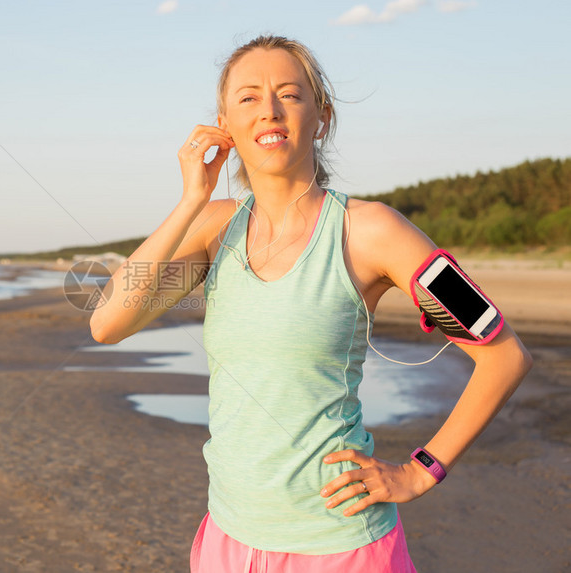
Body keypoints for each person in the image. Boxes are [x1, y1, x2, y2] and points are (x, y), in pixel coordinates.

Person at [89, 35, 531, 572]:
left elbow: (503, 353)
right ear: (223, 124)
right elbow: (108, 322)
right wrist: (190, 201)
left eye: (290, 95)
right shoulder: (212, 228)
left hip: (340, 545)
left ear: (321, 117)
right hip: (227, 538)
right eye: (248, 97)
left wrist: (421, 471)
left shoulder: (371, 231)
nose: (269, 110)